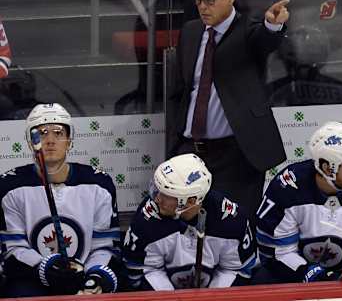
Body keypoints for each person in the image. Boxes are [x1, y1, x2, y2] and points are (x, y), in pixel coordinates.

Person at [168, 0, 289, 218]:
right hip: (190, 150)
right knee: (185, 227)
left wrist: (273, 26)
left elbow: (263, 41)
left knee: (235, 227)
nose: (202, 6)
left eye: (210, 0)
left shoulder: (248, 30)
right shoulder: (190, 32)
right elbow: (182, 90)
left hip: (236, 155)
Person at [0, 103, 121, 297]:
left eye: (58, 133)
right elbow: (12, 249)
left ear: (69, 140)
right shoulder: (10, 186)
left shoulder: (99, 184)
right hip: (32, 278)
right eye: (42, 133)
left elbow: (104, 246)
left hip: (83, 275)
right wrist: (47, 269)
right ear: (30, 141)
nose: (50, 140)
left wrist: (94, 277)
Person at [253, 121, 342, 284]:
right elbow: (279, 253)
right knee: (263, 279)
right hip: (299, 278)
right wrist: (315, 277)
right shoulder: (287, 189)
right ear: (327, 168)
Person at [122, 153, 256, 290]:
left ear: (190, 201)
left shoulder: (232, 221)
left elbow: (236, 270)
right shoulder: (146, 220)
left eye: (166, 194)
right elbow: (144, 272)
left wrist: (213, 298)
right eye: (157, 190)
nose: (157, 199)